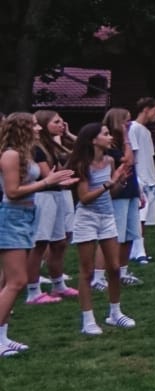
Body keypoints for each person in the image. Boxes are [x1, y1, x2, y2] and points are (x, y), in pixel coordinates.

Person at [2, 112, 80, 356]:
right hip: (11, 218)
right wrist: (48, 182)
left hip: (26, 215)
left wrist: (57, 181)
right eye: (34, 125)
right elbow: (12, 192)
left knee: (11, 281)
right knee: (16, 281)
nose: (38, 128)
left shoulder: (24, 153)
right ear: (22, 128)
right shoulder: (11, 155)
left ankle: (3, 338)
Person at [68, 122, 138, 335]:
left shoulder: (109, 161)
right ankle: (88, 320)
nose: (110, 137)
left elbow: (111, 193)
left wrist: (120, 183)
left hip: (107, 217)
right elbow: (84, 198)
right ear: (93, 140)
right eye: (105, 134)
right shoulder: (82, 164)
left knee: (114, 268)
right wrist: (109, 183)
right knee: (87, 271)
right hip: (86, 218)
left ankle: (115, 313)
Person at [29, 111, 77, 303]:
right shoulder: (36, 148)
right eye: (56, 122)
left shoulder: (52, 145)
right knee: (40, 244)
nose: (61, 125)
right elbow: (47, 176)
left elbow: (65, 168)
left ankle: (59, 285)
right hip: (43, 197)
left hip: (56, 194)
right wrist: (60, 179)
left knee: (59, 242)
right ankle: (33, 291)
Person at [97, 108, 143, 290]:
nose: (129, 124)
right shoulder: (110, 146)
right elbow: (128, 161)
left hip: (130, 190)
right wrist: (126, 137)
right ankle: (98, 276)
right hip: (117, 194)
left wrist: (139, 192)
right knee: (112, 236)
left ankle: (122, 272)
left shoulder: (122, 143)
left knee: (130, 235)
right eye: (126, 121)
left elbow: (133, 167)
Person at [126, 98, 155, 265]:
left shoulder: (145, 131)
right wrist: (137, 179)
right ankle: (138, 251)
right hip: (141, 179)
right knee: (139, 217)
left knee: (144, 218)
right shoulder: (133, 128)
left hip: (150, 178)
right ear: (146, 109)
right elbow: (133, 156)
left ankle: (137, 249)